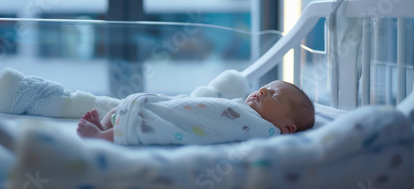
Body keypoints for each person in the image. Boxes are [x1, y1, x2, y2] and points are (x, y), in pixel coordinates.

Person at [76, 80, 315, 145]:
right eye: (266, 86)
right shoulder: (242, 106)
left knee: (148, 123)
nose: (263, 90)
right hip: (177, 107)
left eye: (273, 95)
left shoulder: (266, 131)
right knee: (128, 109)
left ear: (287, 128)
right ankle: (105, 125)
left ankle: (101, 137)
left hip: (177, 122)